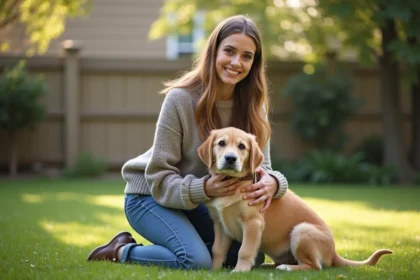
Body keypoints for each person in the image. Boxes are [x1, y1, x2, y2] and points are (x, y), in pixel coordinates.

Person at [87, 14, 288, 270]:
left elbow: (263, 170)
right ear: (214, 51)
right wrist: (205, 189)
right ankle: (122, 250)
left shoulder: (255, 108)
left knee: (250, 255)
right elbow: (158, 177)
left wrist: (275, 182)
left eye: (247, 56)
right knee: (195, 260)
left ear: (254, 63)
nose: (237, 62)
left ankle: (184, 245)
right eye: (229, 51)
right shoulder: (180, 100)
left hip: (193, 202)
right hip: (149, 196)